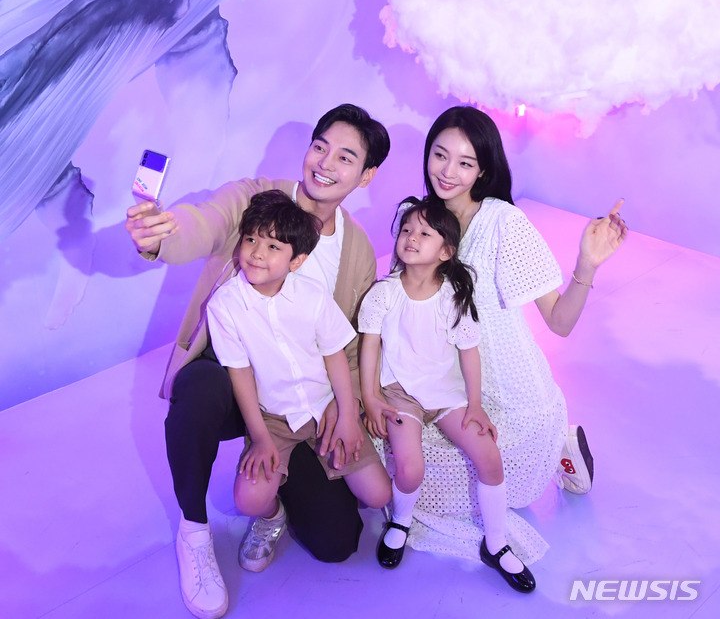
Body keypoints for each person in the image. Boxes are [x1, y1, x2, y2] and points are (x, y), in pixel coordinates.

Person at [125, 104, 390, 619]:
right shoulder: (257, 199)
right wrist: (163, 233)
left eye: (345, 157)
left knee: (338, 539)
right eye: (320, 146)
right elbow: (204, 222)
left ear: (366, 175)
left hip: (304, 400)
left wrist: (346, 407)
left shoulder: (356, 247)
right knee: (199, 389)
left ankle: (275, 502)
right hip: (236, 383)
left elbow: (349, 343)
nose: (325, 163)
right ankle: (194, 532)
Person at [402, 106, 626, 558]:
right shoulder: (420, 220)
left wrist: (586, 264)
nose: (447, 172)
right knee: (406, 470)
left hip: (507, 387)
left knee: (504, 490)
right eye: (440, 155)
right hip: (448, 379)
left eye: (465, 162)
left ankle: (558, 441)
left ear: (483, 170)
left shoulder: (503, 223)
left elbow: (559, 322)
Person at [206, 190, 391, 573]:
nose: (257, 253)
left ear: (297, 260)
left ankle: (335, 476)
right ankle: (272, 516)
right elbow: (240, 374)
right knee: (248, 500)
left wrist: (348, 416)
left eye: (273, 246)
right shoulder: (225, 305)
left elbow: (335, 356)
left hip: (325, 408)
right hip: (274, 419)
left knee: (378, 495)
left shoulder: (312, 295)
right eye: (251, 239)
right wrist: (260, 436)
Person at [358, 197, 536, 593]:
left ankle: (496, 543)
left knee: (489, 455)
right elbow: (369, 347)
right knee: (410, 468)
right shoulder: (383, 293)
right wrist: (370, 397)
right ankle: (401, 521)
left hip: (446, 393)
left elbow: (469, 353)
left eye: (424, 233)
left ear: (446, 251)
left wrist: (474, 404)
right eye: (407, 230)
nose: (411, 237)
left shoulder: (453, 296)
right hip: (401, 393)